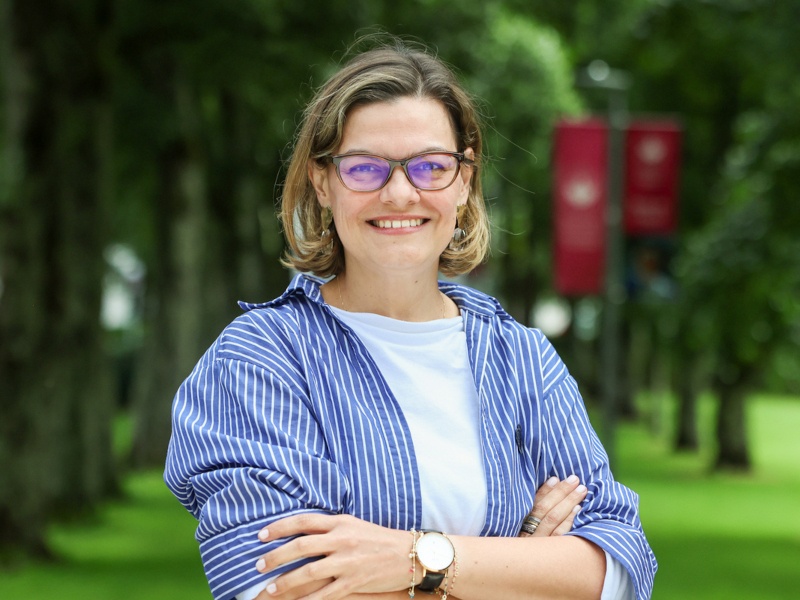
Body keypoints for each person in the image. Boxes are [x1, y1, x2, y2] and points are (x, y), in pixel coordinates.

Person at [164, 38, 657, 600]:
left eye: (430, 166)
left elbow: (620, 568)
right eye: (365, 168)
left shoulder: (521, 356)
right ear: (322, 182)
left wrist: (416, 559)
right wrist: (518, 564)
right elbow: (279, 587)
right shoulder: (262, 358)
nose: (400, 193)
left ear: (464, 180)